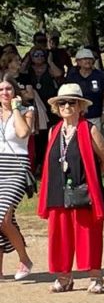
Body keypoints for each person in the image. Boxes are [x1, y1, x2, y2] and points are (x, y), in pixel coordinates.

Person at [37, 83, 104, 293]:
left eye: (72, 102)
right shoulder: (54, 131)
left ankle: (96, 277)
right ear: (57, 106)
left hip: (83, 191)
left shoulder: (90, 129)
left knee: (88, 234)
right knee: (59, 236)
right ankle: (64, 277)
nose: (67, 106)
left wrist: (93, 180)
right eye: (62, 102)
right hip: (57, 192)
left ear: (80, 106)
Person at [0, 76, 35, 280]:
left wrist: (15, 110)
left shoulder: (26, 112)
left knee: (3, 217)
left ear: (15, 92)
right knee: (5, 220)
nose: (5, 92)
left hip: (17, 168)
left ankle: (25, 259)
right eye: (1, 89)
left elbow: (23, 133)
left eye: (8, 89)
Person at [19, 47, 60, 162]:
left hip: (49, 105)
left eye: (41, 55)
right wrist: (27, 58)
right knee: (36, 135)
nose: (39, 57)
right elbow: (20, 70)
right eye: (35, 55)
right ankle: (37, 162)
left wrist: (50, 62)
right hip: (34, 105)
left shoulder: (49, 68)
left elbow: (58, 74)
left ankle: (48, 160)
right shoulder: (27, 71)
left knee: (49, 133)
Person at [64, 48, 104, 126]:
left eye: (90, 59)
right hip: (77, 116)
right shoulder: (72, 77)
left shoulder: (99, 75)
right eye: (84, 59)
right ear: (78, 62)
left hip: (96, 116)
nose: (88, 61)